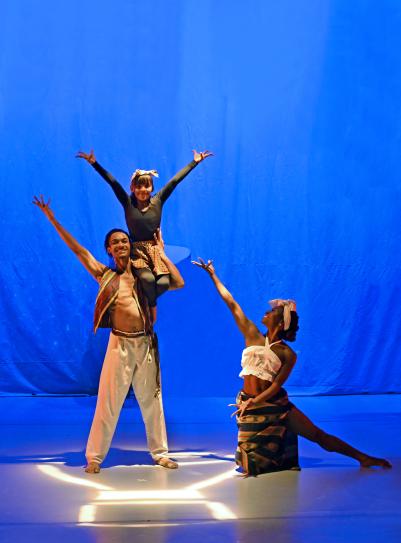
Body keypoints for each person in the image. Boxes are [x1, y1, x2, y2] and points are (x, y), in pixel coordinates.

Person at [193, 258, 392, 476]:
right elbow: (231, 303)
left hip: (273, 404)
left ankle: (362, 457)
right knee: (250, 461)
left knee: (318, 436)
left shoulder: (287, 354)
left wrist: (254, 401)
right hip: (250, 404)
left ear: (279, 322)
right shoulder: (252, 335)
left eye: (270, 313)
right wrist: (212, 274)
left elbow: (276, 385)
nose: (266, 314)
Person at [33, 194, 184, 472]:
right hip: (119, 345)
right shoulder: (106, 276)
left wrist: (160, 253)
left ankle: (160, 452)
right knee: (108, 401)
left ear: (130, 245)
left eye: (124, 240)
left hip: (146, 344)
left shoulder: (145, 277)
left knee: (152, 400)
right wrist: (52, 219)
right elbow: (79, 251)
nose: (121, 244)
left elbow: (177, 282)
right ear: (110, 251)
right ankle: (95, 457)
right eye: (115, 242)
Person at [76, 148, 213, 322]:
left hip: (155, 248)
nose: (143, 190)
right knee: (148, 279)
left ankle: (147, 300)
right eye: (138, 186)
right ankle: (151, 309)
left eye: (146, 185)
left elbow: (175, 181)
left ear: (152, 187)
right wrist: (95, 164)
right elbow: (113, 183)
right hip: (138, 251)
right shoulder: (128, 203)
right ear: (132, 188)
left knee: (163, 283)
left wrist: (195, 162)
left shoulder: (158, 200)